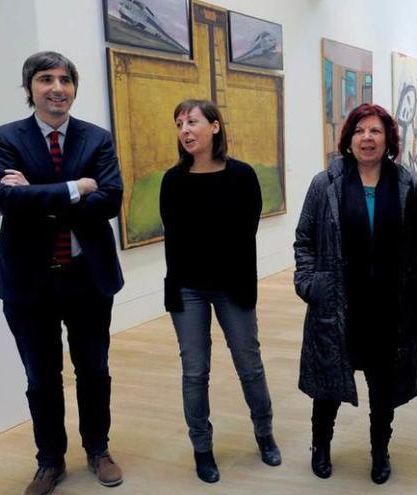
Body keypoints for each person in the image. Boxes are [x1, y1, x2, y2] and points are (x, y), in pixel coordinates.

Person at [0, 51, 125, 495]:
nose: (57, 88)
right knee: (41, 377)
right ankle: (49, 461)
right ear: (30, 88)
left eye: (65, 79)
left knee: (94, 370)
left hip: (87, 276)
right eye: (46, 79)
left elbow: (110, 201)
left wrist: (38, 195)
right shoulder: (5, 138)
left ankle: (98, 449)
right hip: (29, 281)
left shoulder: (96, 139)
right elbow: (7, 202)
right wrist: (74, 188)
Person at [294, 103, 417, 484]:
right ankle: (321, 445)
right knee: (328, 384)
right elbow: (304, 239)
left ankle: (380, 450)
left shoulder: (406, 186)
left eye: (375, 131)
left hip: (389, 306)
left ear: (388, 140)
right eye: (359, 131)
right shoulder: (326, 184)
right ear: (348, 139)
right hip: (337, 302)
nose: (366, 138)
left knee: (383, 387)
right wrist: (308, 282)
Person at [159, 99, 281, 483]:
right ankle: (202, 449)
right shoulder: (173, 180)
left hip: (233, 287)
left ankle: (264, 434)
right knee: (195, 372)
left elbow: (248, 234)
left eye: (192, 121)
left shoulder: (241, 175)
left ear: (214, 126)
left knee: (250, 366)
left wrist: (246, 285)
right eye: (179, 124)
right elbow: (173, 240)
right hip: (188, 290)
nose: (185, 130)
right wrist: (173, 290)